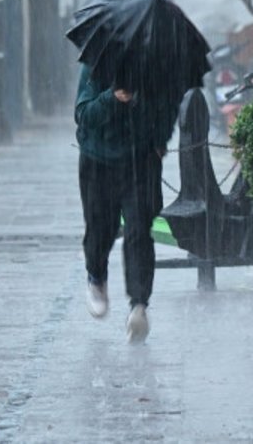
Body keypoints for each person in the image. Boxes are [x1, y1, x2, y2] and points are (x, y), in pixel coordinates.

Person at [75, 62, 179, 343]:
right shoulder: (96, 65)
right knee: (100, 229)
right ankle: (96, 276)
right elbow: (83, 115)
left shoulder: (155, 66)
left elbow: (168, 110)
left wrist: (158, 139)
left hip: (141, 164)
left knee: (138, 232)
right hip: (99, 163)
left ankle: (139, 305)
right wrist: (112, 98)